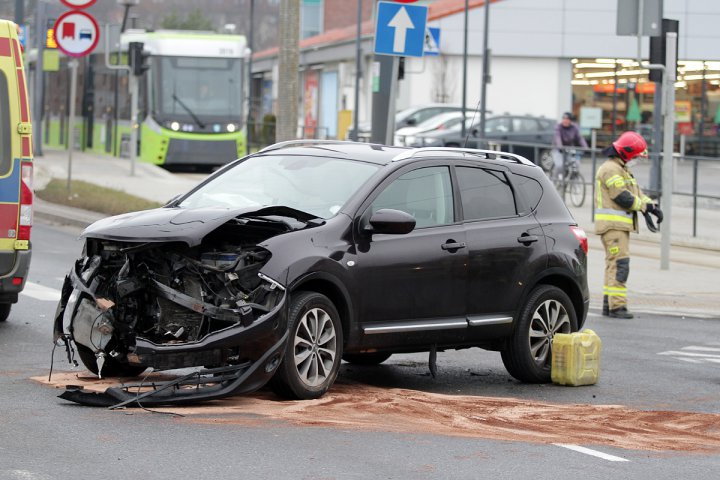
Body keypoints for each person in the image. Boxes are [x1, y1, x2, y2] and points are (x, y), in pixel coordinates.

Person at [595, 131, 663, 319]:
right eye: (635, 156)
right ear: (626, 152)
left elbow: (636, 193)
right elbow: (621, 196)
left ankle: (610, 306)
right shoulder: (611, 169)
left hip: (618, 227)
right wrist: (644, 206)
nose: (636, 160)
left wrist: (652, 206)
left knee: (614, 265)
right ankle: (617, 307)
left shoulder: (622, 169)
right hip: (613, 227)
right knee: (619, 265)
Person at [552, 112, 588, 180]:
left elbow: (580, 138)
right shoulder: (558, 127)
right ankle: (554, 181)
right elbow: (557, 138)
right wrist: (560, 147)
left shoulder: (574, 127)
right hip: (558, 150)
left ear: (570, 121)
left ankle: (571, 180)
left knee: (576, 164)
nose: (565, 120)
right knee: (559, 166)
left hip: (568, 149)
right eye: (564, 119)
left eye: (567, 119)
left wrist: (585, 147)